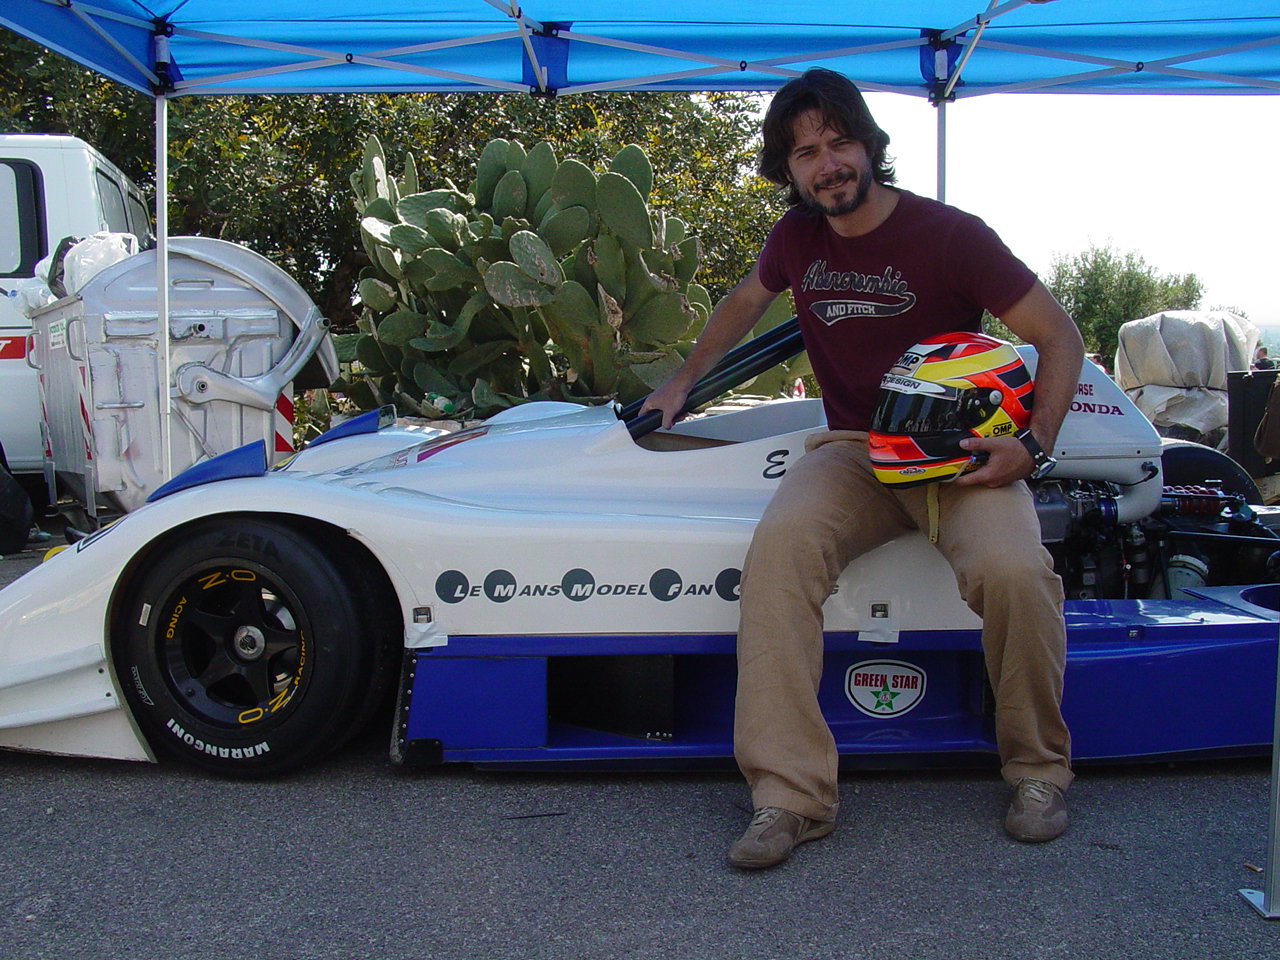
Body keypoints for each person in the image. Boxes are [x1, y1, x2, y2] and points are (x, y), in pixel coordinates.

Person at [640, 68, 1084, 869]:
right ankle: (789, 798)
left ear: (870, 146)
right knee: (778, 558)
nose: (827, 164)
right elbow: (744, 303)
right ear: (788, 170)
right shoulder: (795, 239)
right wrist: (682, 380)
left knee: (1017, 572)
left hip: (956, 455)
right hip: (852, 449)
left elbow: (1059, 335)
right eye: (805, 152)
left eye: (839, 142)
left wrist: (1035, 443)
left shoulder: (951, 236)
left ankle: (1037, 773)